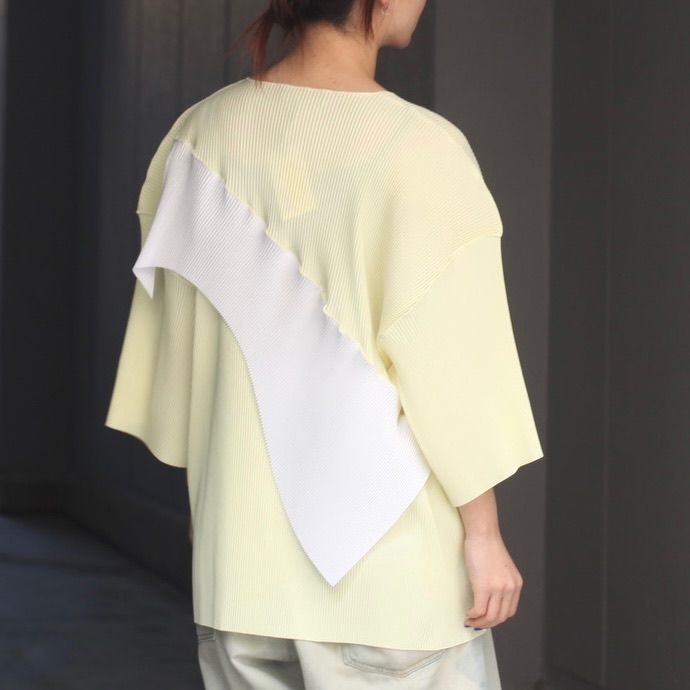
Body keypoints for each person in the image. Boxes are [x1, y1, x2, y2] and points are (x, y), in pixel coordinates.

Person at [104, 0, 545, 687]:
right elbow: (453, 365)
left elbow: (182, 359)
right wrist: (483, 535)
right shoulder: (424, 148)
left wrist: (210, 507)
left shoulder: (197, 137)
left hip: (241, 580)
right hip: (390, 582)